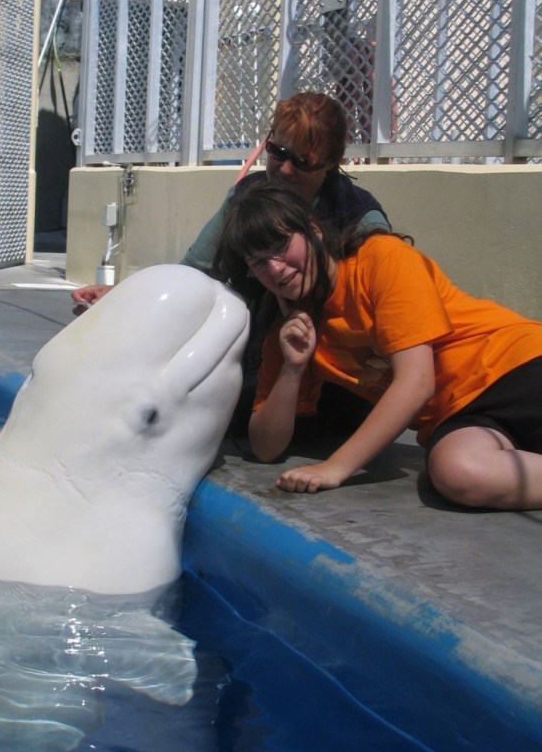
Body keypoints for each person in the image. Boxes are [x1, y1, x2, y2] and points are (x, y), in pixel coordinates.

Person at [212, 182, 542, 510]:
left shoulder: (381, 260)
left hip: (517, 368)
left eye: (280, 246)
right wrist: (292, 370)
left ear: (313, 229)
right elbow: (266, 447)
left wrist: (336, 467)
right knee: (457, 473)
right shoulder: (290, 333)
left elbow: (417, 382)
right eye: (257, 262)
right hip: (461, 417)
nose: (274, 268)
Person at [70, 91, 390, 312]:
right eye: (277, 152)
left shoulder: (358, 218)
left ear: (331, 161)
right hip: (259, 340)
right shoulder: (247, 195)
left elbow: (379, 298)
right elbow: (195, 271)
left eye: (302, 162)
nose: (285, 169)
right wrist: (122, 296)